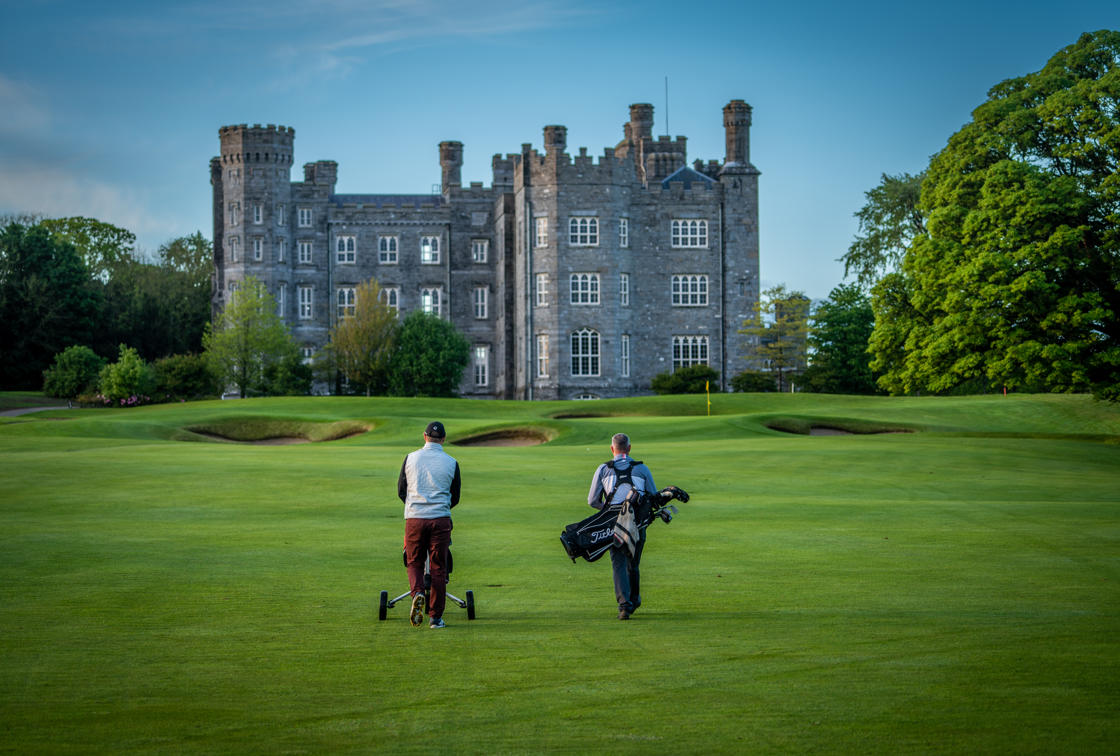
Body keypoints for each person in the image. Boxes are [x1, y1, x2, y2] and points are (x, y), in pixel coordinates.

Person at [397, 421, 461, 629]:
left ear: (424, 436)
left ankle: (417, 594)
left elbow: (401, 491)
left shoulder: (410, 458)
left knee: (414, 561)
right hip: (440, 519)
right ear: (443, 439)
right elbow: (456, 496)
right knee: (438, 568)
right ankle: (435, 618)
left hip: (415, 518)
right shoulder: (452, 462)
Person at [587, 433, 656, 620]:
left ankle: (624, 605)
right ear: (630, 448)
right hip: (637, 524)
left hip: (614, 525)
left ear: (612, 449)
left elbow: (592, 500)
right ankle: (634, 599)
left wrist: (608, 510)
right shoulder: (642, 469)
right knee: (633, 562)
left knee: (618, 563)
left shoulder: (603, 469)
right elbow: (653, 497)